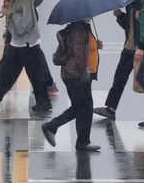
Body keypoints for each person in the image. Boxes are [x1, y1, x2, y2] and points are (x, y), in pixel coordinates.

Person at [41, 19, 101, 152]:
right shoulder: (79, 29)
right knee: (81, 106)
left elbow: (84, 49)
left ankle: (82, 141)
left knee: (83, 106)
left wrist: (96, 45)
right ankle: (52, 126)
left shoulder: (82, 27)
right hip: (76, 74)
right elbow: (79, 55)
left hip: (76, 74)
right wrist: (83, 72)